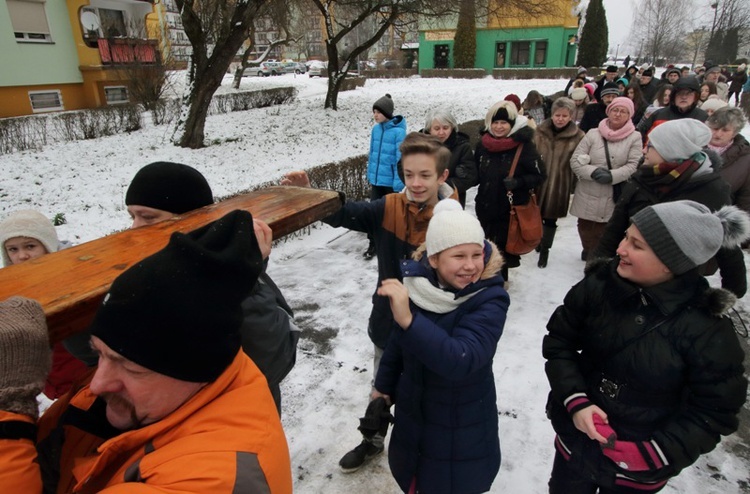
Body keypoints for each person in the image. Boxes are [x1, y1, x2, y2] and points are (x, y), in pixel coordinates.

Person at [0, 210, 293, 492]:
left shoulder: (212, 476)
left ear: (195, 369)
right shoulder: (158, 393)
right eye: (100, 353)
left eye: (132, 368)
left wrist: (9, 415)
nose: (97, 383)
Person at [543, 199, 749, 493]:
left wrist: (656, 452)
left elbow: (715, 410)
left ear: (671, 262)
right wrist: (575, 400)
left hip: (637, 474)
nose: (620, 249)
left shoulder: (706, 329)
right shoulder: (598, 286)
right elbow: (559, 343)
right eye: (626, 236)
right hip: (574, 446)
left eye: (636, 245)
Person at [282, 132, 458, 472]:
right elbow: (343, 213)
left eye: (425, 175)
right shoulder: (388, 208)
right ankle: (372, 441)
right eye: (409, 175)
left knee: (429, 394)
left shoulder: (453, 220)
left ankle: (427, 451)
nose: (416, 183)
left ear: (442, 176)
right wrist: (309, 191)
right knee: (381, 388)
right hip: (388, 324)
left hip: (435, 328)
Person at [67, 161, 299, 414]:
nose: (134, 228)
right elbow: (94, 358)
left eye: (148, 217)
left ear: (193, 220)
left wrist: (241, 281)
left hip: (238, 422)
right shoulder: (139, 274)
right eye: (132, 216)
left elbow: (275, 361)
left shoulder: (236, 277)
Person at [374, 199, 509, 493]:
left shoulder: (490, 299)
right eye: (459, 255)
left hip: (461, 432)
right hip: (415, 420)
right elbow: (397, 344)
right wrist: (382, 388)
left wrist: (410, 321)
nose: (471, 265)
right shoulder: (419, 288)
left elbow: (462, 359)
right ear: (433, 259)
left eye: (477, 254)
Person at [592, 119, 747, 297]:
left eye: (650, 145)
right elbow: (615, 228)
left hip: (672, 291)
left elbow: (726, 245)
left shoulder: (710, 190)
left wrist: (732, 291)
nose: (644, 150)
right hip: (627, 274)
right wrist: (596, 271)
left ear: (671, 151)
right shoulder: (642, 177)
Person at [0, 210, 89, 400]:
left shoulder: (72, 276)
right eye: (13, 249)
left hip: (80, 368)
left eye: (30, 246)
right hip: (50, 375)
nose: (22, 255)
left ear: (47, 245)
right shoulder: (12, 286)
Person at [469, 100, 546, 281]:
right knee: (485, 246)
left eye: (503, 122)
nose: (499, 127)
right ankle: (486, 278)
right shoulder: (483, 145)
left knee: (500, 250)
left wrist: (518, 182)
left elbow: (540, 175)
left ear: (511, 124)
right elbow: (478, 174)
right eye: (495, 122)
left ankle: (497, 283)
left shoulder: (523, 146)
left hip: (509, 211)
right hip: (485, 207)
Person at [570, 97, 642, 261]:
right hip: (589, 188)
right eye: (615, 110)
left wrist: (612, 176)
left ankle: (595, 255)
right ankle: (587, 248)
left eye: (623, 112)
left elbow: (634, 165)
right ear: (609, 111)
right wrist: (593, 172)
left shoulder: (635, 137)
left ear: (629, 115)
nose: (618, 114)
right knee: (585, 227)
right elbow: (575, 160)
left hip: (613, 191)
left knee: (605, 229)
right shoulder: (593, 134)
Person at [533, 97, 585, 268]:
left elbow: (579, 162)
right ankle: (538, 241)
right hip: (538, 182)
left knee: (550, 219)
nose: (560, 119)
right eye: (557, 115)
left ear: (570, 116)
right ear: (552, 114)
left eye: (564, 115)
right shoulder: (539, 132)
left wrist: (574, 184)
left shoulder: (578, 136)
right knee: (536, 216)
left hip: (559, 184)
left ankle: (545, 249)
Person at [365, 93, 407, 259]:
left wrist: (398, 183)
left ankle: (393, 246)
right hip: (377, 181)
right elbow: (373, 155)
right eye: (374, 111)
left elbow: (400, 159)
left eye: (378, 112)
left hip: (391, 182)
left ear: (387, 113)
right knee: (373, 214)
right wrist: (370, 175)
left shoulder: (399, 133)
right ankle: (372, 244)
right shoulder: (376, 130)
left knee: (392, 215)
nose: (375, 115)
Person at [421, 108, 476, 206]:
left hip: (451, 201)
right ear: (429, 130)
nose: (441, 132)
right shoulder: (419, 144)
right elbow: (402, 166)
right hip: (422, 199)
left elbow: (469, 177)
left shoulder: (462, 147)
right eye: (437, 129)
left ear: (452, 127)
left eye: (445, 128)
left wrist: (439, 185)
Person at [707, 107, 750, 230]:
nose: (718, 134)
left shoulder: (745, 159)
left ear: (735, 133)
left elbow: (746, 199)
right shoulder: (693, 147)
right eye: (715, 128)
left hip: (720, 224)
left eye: (725, 130)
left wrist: (742, 231)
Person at [637, 77, 707, 144]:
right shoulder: (658, 115)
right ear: (673, 96)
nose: (684, 97)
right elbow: (642, 139)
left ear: (696, 96)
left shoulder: (702, 117)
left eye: (688, 94)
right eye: (680, 93)